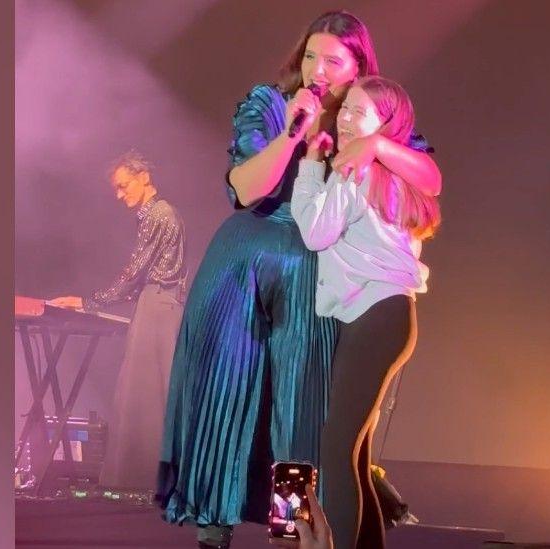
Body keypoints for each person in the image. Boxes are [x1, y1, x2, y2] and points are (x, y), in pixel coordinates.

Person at [155, 11, 441, 549]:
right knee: (226, 395)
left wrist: (376, 146)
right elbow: (246, 189)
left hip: (314, 277)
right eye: (311, 55)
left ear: (358, 67)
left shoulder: (366, 117)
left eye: (334, 60)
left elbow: (428, 177)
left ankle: (295, 534)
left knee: (300, 411)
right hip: (240, 270)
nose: (318, 69)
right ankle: (212, 530)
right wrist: (292, 133)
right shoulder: (271, 103)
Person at [291, 75, 440, 549]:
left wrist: (311, 165)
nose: (347, 118)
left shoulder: (356, 169)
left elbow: (315, 232)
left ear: (385, 126)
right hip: (385, 317)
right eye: (346, 108)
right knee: (353, 455)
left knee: (337, 450)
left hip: (377, 316)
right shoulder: (392, 173)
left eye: (361, 112)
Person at [50, 150, 186, 493]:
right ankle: (144, 479)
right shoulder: (152, 215)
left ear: (143, 177)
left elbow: (134, 271)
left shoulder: (160, 213)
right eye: (116, 189)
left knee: (149, 393)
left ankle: (150, 480)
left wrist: (89, 302)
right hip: (153, 304)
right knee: (141, 392)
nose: (119, 194)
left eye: (124, 186)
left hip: (159, 307)